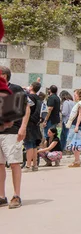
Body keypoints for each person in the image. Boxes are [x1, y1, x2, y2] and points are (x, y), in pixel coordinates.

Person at [0, 66, 28, 209]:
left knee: (15, 162)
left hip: (12, 131)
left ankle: (16, 195)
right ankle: (1, 196)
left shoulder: (15, 89)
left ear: (4, 76)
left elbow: (27, 107)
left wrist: (23, 127)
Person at [65, 87, 81, 167]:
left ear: (79, 95)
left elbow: (80, 115)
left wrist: (77, 126)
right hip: (77, 126)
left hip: (76, 126)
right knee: (74, 144)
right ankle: (76, 160)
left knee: (75, 144)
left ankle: (77, 161)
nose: (74, 96)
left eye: (75, 95)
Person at [23, 81, 42, 172]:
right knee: (34, 145)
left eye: (30, 85)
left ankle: (28, 165)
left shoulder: (29, 97)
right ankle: (35, 165)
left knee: (29, 144)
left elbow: (27, 109)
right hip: (36, 122)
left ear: (31, 87)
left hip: (29, 122)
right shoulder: (39, 98)